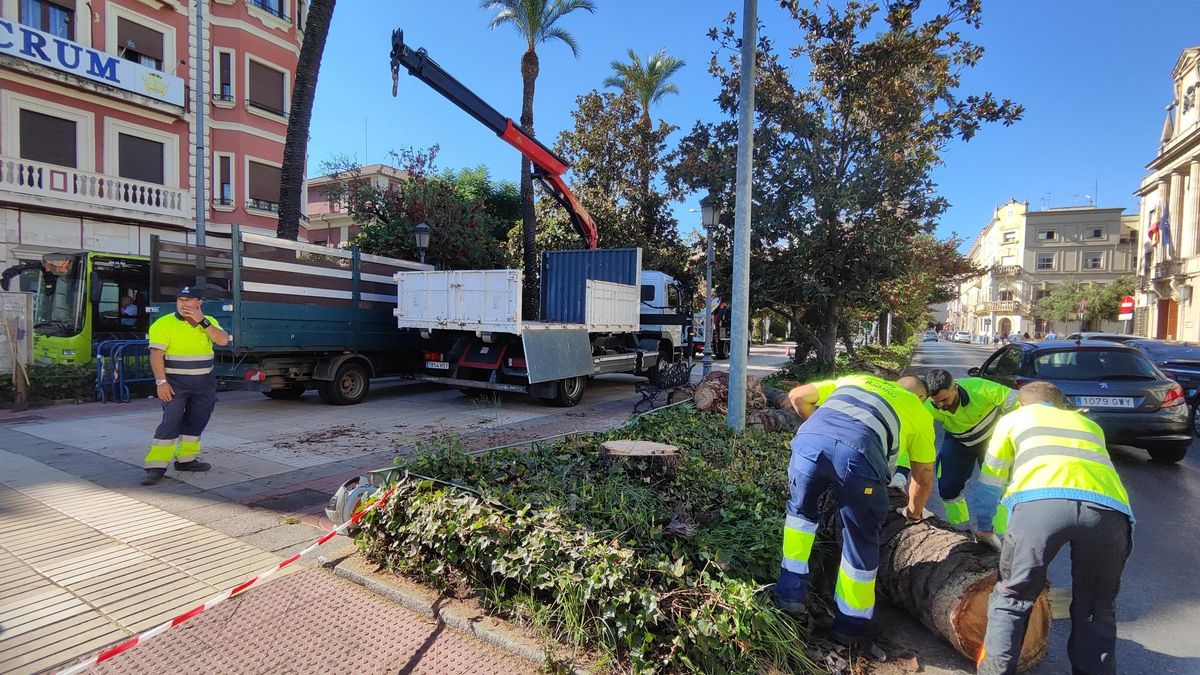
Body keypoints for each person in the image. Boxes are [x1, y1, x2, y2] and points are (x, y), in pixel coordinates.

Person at [974, 382, 1132, 675]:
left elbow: (990, 481)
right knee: (1097, 605)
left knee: (1013, 597)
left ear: (1021, 405)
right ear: (1060, 405)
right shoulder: (1087, 424)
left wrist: (983, 526)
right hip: (1109, 512)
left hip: (1040, 505)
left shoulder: (1013, 419)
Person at [775, 374, 936, 645]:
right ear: (922, 398)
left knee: (800, 519)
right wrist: (914, 512)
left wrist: (822, 439)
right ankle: (850, 627)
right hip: (860, 455)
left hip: (809, 442)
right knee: (860, 539)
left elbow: (797, 396)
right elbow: (924, 474)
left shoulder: (858, 380)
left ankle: (788, 596)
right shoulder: (918, 410)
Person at [141, 286, 230, 485]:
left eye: (189, 300)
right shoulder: (163, 324)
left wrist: (202, 321)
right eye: (180, 300)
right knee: (170, 422)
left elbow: (223, 340)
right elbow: (156, 354)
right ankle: (155, 467)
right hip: (174, 384)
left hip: (204, 383)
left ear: (199, 303)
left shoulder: (209, 322)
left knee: (196, 420)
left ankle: (186, 460)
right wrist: (161, 382)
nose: (184, 304)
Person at [923, 369, 1019, 540]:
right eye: (936, 402)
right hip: (958, 441)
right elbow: (916, 432)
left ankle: (1000, 533)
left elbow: (1017, 402)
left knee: (998, 486)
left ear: (955, 387)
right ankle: (960, 528)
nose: (941, 405)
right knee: (947, 487)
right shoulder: (930, 406)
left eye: (945, 399)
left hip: (992, 440)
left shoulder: (979, 388)